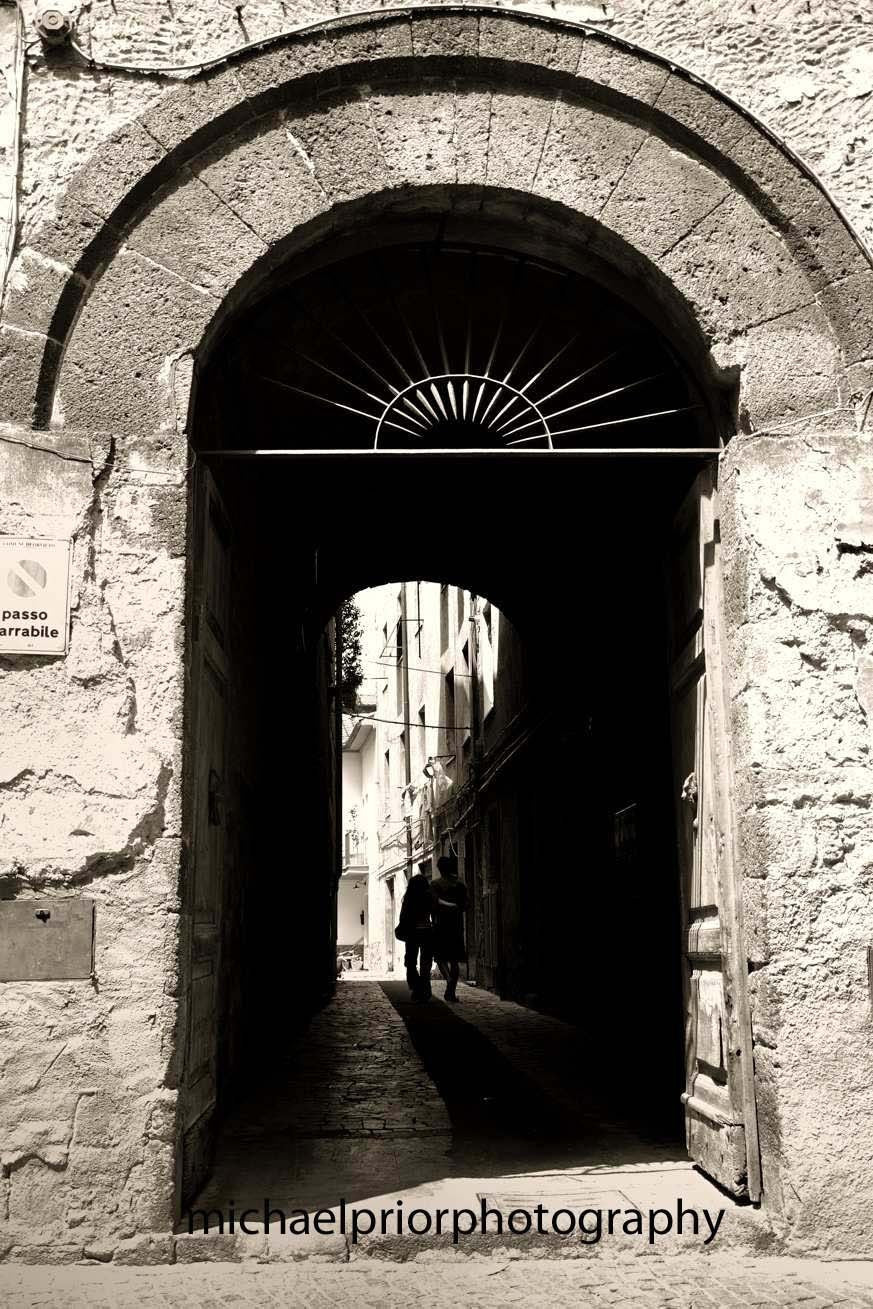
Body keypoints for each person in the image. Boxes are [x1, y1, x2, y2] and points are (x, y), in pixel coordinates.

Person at [431, 852, 467, 1003]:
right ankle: (450, 991)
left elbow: (432, 903)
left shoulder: (435, 884)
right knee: (454, 960)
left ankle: (450, 983)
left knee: (440, 958)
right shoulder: (460, 884)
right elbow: (466, 905)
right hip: (457, 926)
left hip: (440, 926)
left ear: (439, 868)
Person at [397, 873, 435, 1003]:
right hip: (427, 932)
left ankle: (416, 987)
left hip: (412, 933)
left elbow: (403, 917)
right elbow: (434, 914)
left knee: (411, 961)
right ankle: (425, 989)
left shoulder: (408, 898)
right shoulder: (429, 897)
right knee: (426, 962)